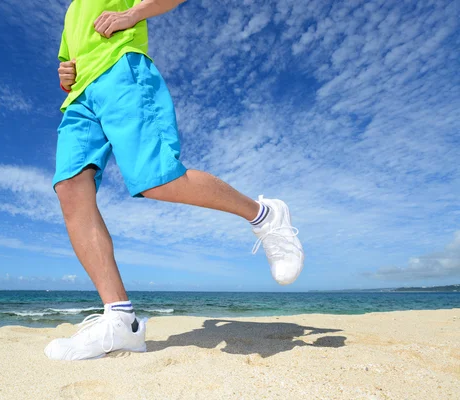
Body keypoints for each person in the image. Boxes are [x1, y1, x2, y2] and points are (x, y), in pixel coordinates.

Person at [44, 0, 304, 361]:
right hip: (78, 101)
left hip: (122, 71)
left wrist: (132, 15)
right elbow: (69, 59)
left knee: (157, 179)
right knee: (70, 189)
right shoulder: (72, 11)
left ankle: (264, 215)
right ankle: (121, 321)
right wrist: (65, 73)